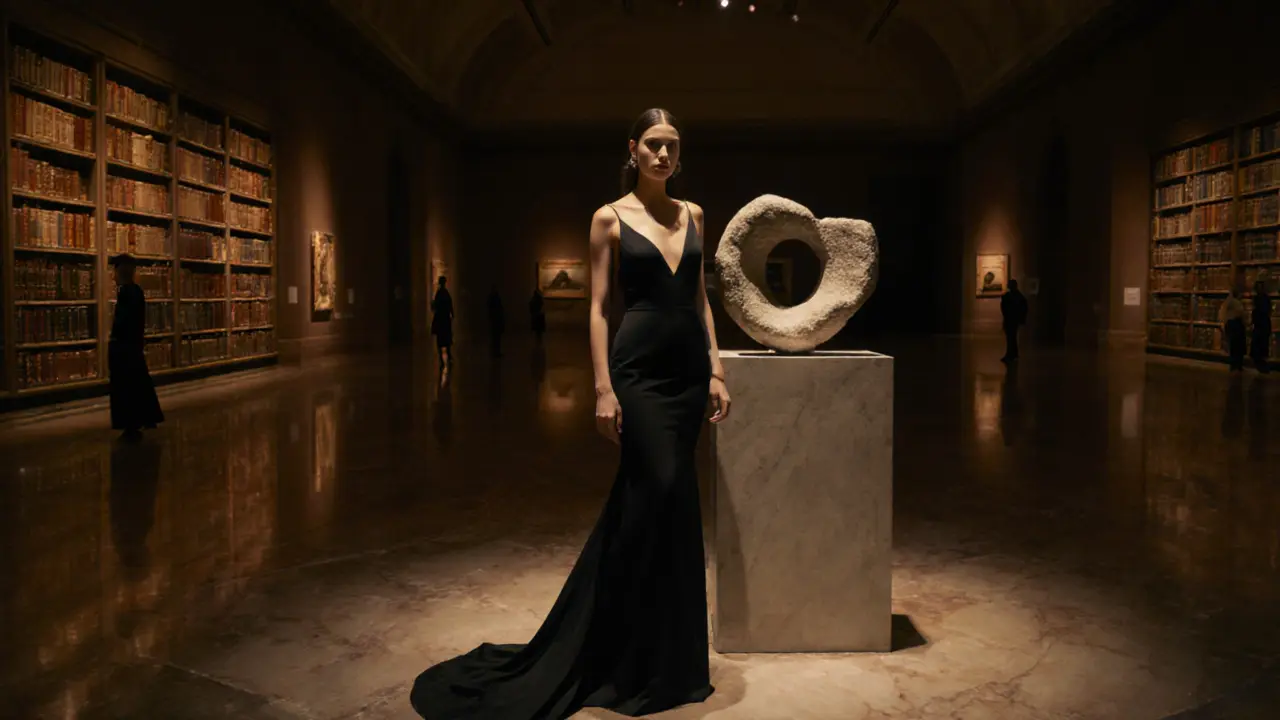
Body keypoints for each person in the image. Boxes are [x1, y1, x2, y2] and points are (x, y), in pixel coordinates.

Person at [410, 108, 732, 719]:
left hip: (687, 374)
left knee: (669, 504)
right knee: (654, 490)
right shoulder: (609, 219)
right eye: (653, 146)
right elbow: (599, 307)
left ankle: (669, 660)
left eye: (673, 148)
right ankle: (612, 651)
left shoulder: (693, 216)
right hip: (637, 372)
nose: (663, 156)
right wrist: (603, 388)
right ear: (633, 149)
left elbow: (699, 300)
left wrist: (716, 369)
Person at [108, 254, 164, 441]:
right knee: (139, 383)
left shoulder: (126, 293)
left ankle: (131, 423)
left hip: (125, 347)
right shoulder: (136, 291)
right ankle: (147, 418)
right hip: (133, 345)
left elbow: (122, 322)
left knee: (127, 387)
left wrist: (114, 342)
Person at [1000, 278, 1028, 363]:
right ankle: (1013, 354)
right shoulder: (1018, 296)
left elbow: (1005, 307)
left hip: (1011, 319)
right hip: (1012, 319)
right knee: (1012, 337)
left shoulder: (1012, 297)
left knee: (1011, 338)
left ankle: (1010, 354)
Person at [1221, 287, 1247, 372]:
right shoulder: (1237, 303)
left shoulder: (1229, 302)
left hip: (1231, 324)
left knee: (1233, 346)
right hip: (1236, 325)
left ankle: (1234, 364)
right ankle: (1237, 365)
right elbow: (1241, 314)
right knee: (1238, 346)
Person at [430, 276, 454, 366]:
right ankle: (448, 356)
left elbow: (436, 306)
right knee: (446, 339)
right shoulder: (445, 293)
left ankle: (443, 358)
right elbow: (450, 304)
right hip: (444, 319)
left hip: (440, 319)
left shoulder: (439, 293)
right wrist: (452, 313)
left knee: (441, 339)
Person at [1251, 276, 1272, 373]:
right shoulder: (1263, 298)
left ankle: (1261, 364)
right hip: (1262, 324)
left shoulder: (1259, 299)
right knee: (1261, 345)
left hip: (1261, 325)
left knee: (1260, 345)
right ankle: (1261, 363)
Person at [487, 285, 505, 358]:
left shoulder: (491, 298)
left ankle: (495, 351)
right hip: (496, 319)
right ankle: (496, 351)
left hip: (495, 319)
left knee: (495, 337)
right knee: (496, 337)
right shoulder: (495, 298)